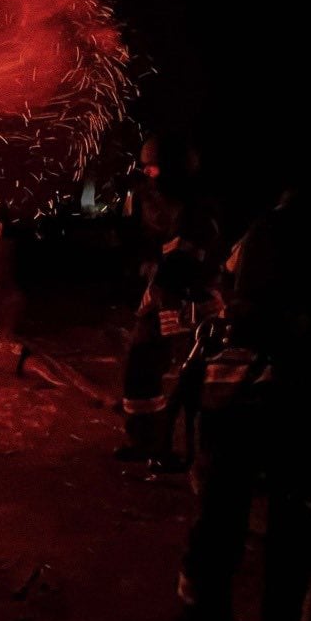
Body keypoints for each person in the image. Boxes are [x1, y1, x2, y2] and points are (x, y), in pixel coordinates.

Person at [177, 174, 311, 621]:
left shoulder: (262, 230)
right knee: (293, 533)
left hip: (238, 397)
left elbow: (225, 289)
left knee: (219, 520)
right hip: (307, 408)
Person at [116, 134, 221, 471]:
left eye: (155, 167)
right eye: (146, 167)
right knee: (141, 364)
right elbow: (136, 241)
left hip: (187, 298)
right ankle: (145, 441)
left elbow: (191, 257)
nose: (148, 173)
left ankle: (183, 451)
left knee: (185, 377)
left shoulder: (197, 208)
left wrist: (165, 286)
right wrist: (144, 269)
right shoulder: (145, 197)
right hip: (159, 291)